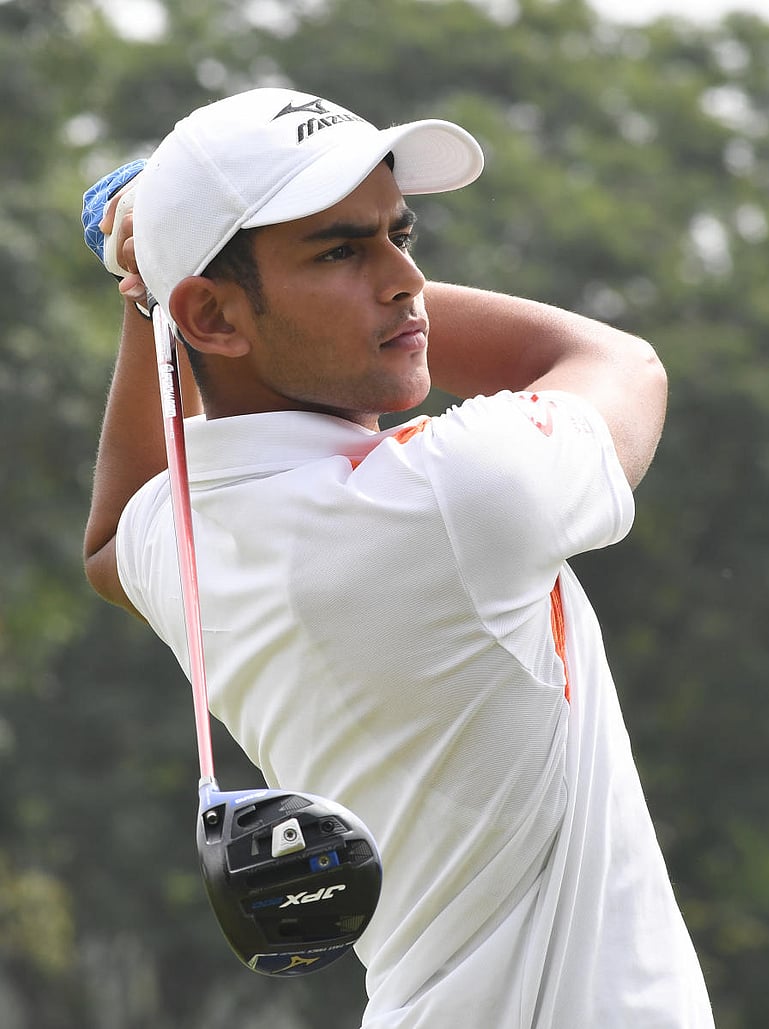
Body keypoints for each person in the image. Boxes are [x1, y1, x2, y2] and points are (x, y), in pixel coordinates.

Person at [82, 87, 714, 1028]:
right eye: (341, 250)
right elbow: (621, 362)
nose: (404, 277)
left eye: (400, 237)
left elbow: (108, 539)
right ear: (213, 316)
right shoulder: (456, 497)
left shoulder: (184, 529)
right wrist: (156, 279)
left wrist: (156, 297)